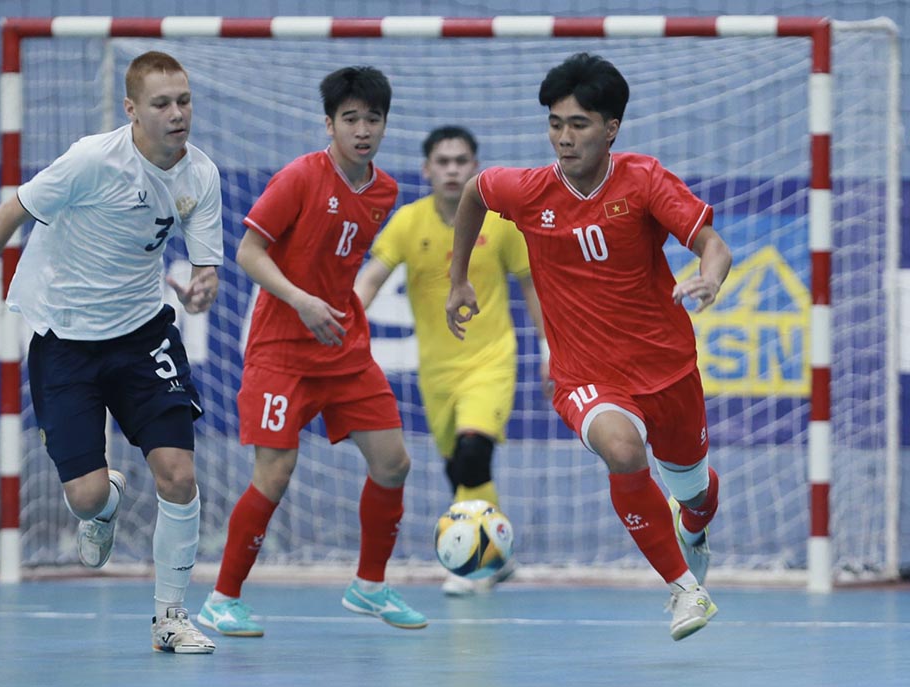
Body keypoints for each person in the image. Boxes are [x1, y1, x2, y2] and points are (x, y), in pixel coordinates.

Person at [0, 51, 221, 654]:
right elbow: (10, 212)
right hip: (66, 342)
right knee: (86, 495)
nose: (177, 113)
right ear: (132, 110)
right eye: (162, 103)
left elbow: (204, 263)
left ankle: (171, 617)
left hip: (143, 336)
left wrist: (201, 288)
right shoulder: (91, 160)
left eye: (184, 100)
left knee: (179, 475)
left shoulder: (200, 174)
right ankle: (101, 505)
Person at [445, 52, 731, 641]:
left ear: (611, 128)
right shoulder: (526, 190)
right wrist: (459, 278)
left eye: (578, 124)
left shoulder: (645, 179)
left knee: (696, 494)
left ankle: (694, 530)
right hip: (585, 375)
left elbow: (712, 244)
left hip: (669, 368)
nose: (564, 137)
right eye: (555, 123)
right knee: (623, 451)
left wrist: (710, 275)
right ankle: (684, 591)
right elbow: (475, 192)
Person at [196, 66, 427, 638]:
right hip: (282, 349)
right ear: (329, 124)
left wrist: (335, 307)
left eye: (373, 119)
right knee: (275, 473)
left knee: (394, 462)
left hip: (345, 350)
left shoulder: (386, 190)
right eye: (350, 119)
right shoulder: (300, 177)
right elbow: (249, 252)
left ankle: (368, 586)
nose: (362, 129)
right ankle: (222, 598)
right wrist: (301, 300)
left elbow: (343, 264)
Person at [354, 125, 549, 596]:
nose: (452, 169)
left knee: (472, 454)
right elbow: (367, 284)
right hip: (437, 373)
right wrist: (339, 328)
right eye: (442, 161)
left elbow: (534, 287)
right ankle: (497, 556)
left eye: (461, 161)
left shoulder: (499, 223)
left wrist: (550, 350)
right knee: (459, 469)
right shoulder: (407, 223)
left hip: (492, 361)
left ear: (475, 166)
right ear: (427, 169)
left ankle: (473, 565)